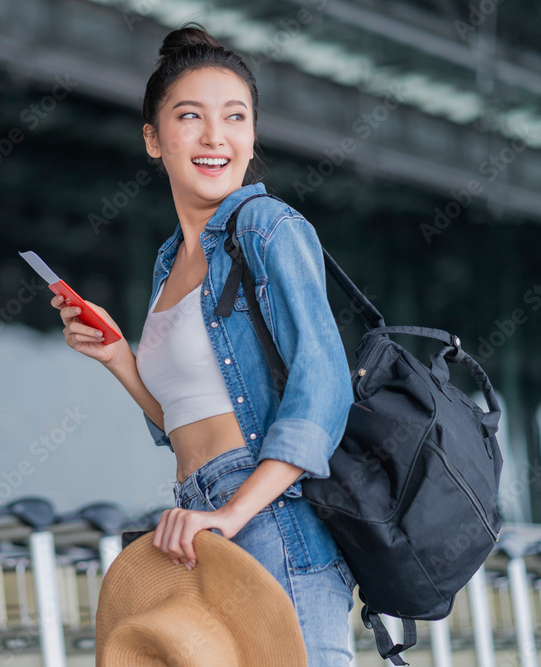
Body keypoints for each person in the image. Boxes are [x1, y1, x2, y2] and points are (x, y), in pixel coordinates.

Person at [51, 21, 358, 666]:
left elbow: (323, 385)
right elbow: (185, 421)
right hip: (196, 516)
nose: (215, 136)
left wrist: (236, 511)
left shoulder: (268, 228)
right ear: (153, 139)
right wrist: (118, 359)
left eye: (235, 117)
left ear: (250, 135)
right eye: (189, 117)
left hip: (268, 512)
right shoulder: (170, 264)